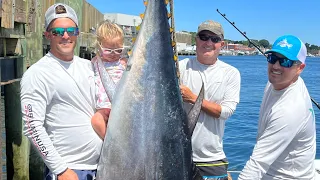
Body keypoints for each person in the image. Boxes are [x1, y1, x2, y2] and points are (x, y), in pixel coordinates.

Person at [20, 3, 108, 180]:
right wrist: (61, 170)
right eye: (57, 32)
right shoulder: (37, 73)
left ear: (77, 33)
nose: (65, 36)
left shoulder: (90, 66)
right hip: (71, 171)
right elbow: (31, 126)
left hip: (104, 166)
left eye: (71, 31)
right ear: (47, 35)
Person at [238, 35, 316, 179]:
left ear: (300, 68)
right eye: (272, 58)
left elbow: (257, 165)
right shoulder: (277, 82)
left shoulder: (290, 110)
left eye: (285, 62)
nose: (276, 66)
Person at [179, 20, 241, 180]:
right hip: (177, 154)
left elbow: (226, 112)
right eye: (204, 37)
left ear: (222, 43)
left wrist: (193, 98)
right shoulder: (180, 67)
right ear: (196, 40)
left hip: (211, 158)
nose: (208, 42)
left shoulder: (231, 73)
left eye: (214, 39)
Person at [91, 20, 127, 140]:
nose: (113, 54)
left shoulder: (123, 63)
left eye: (118, 51)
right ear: (99, 46)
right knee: (96, 120)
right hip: (105, 106)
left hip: (122, 104)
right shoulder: (96, 62)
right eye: (108, 50)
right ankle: (108, 140)